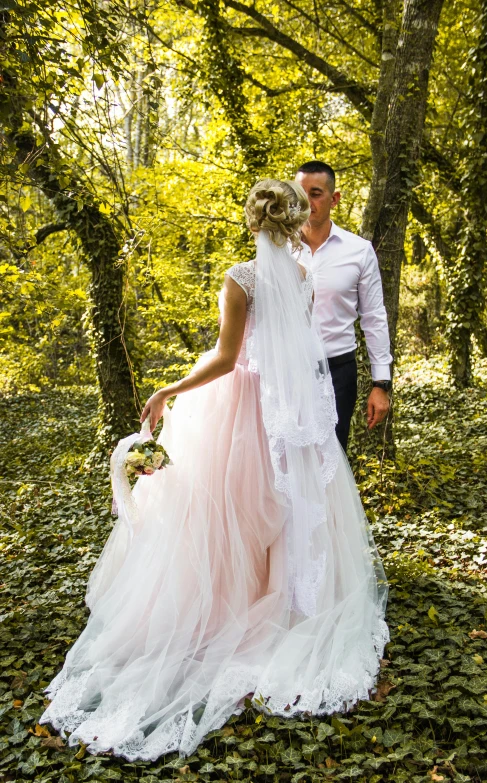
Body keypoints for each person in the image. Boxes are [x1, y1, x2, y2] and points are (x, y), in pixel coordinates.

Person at [40, 180, 388, 761]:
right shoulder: (304, 277)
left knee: (224, 508)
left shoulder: (240, 277)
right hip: (283, 411)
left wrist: (168, 388)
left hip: (239, 406)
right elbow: (298, 350)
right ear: (293, 220)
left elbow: (227, 358)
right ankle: (277, 606)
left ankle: (229, 613)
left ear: (254, 222)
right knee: (274, 509)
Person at [295, 161, 392, 450]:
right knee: (283, 469)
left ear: (334, 199)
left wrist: (381, 383)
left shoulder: (359, 251)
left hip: (338, 374)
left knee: (331, 464)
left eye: (315, 193)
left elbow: (374, 318)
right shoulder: (277, 249)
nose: (306, 202)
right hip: (285, 375)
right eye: (300, 194)